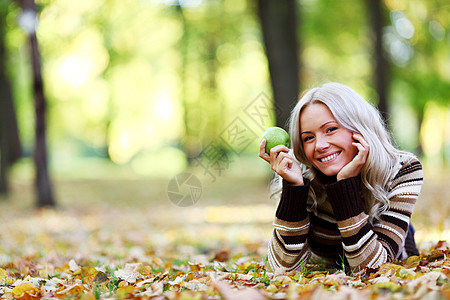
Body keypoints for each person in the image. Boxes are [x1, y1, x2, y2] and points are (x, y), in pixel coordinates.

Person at [258, 82, 423, 274]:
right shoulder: (301, 174)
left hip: (393, 252)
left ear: (359, 128)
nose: (319, 145)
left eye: (330, 129)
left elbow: (372, 270)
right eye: (308, 138)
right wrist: (294, 189)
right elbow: (280, 270)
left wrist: (345, 186)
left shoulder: (403, 169)